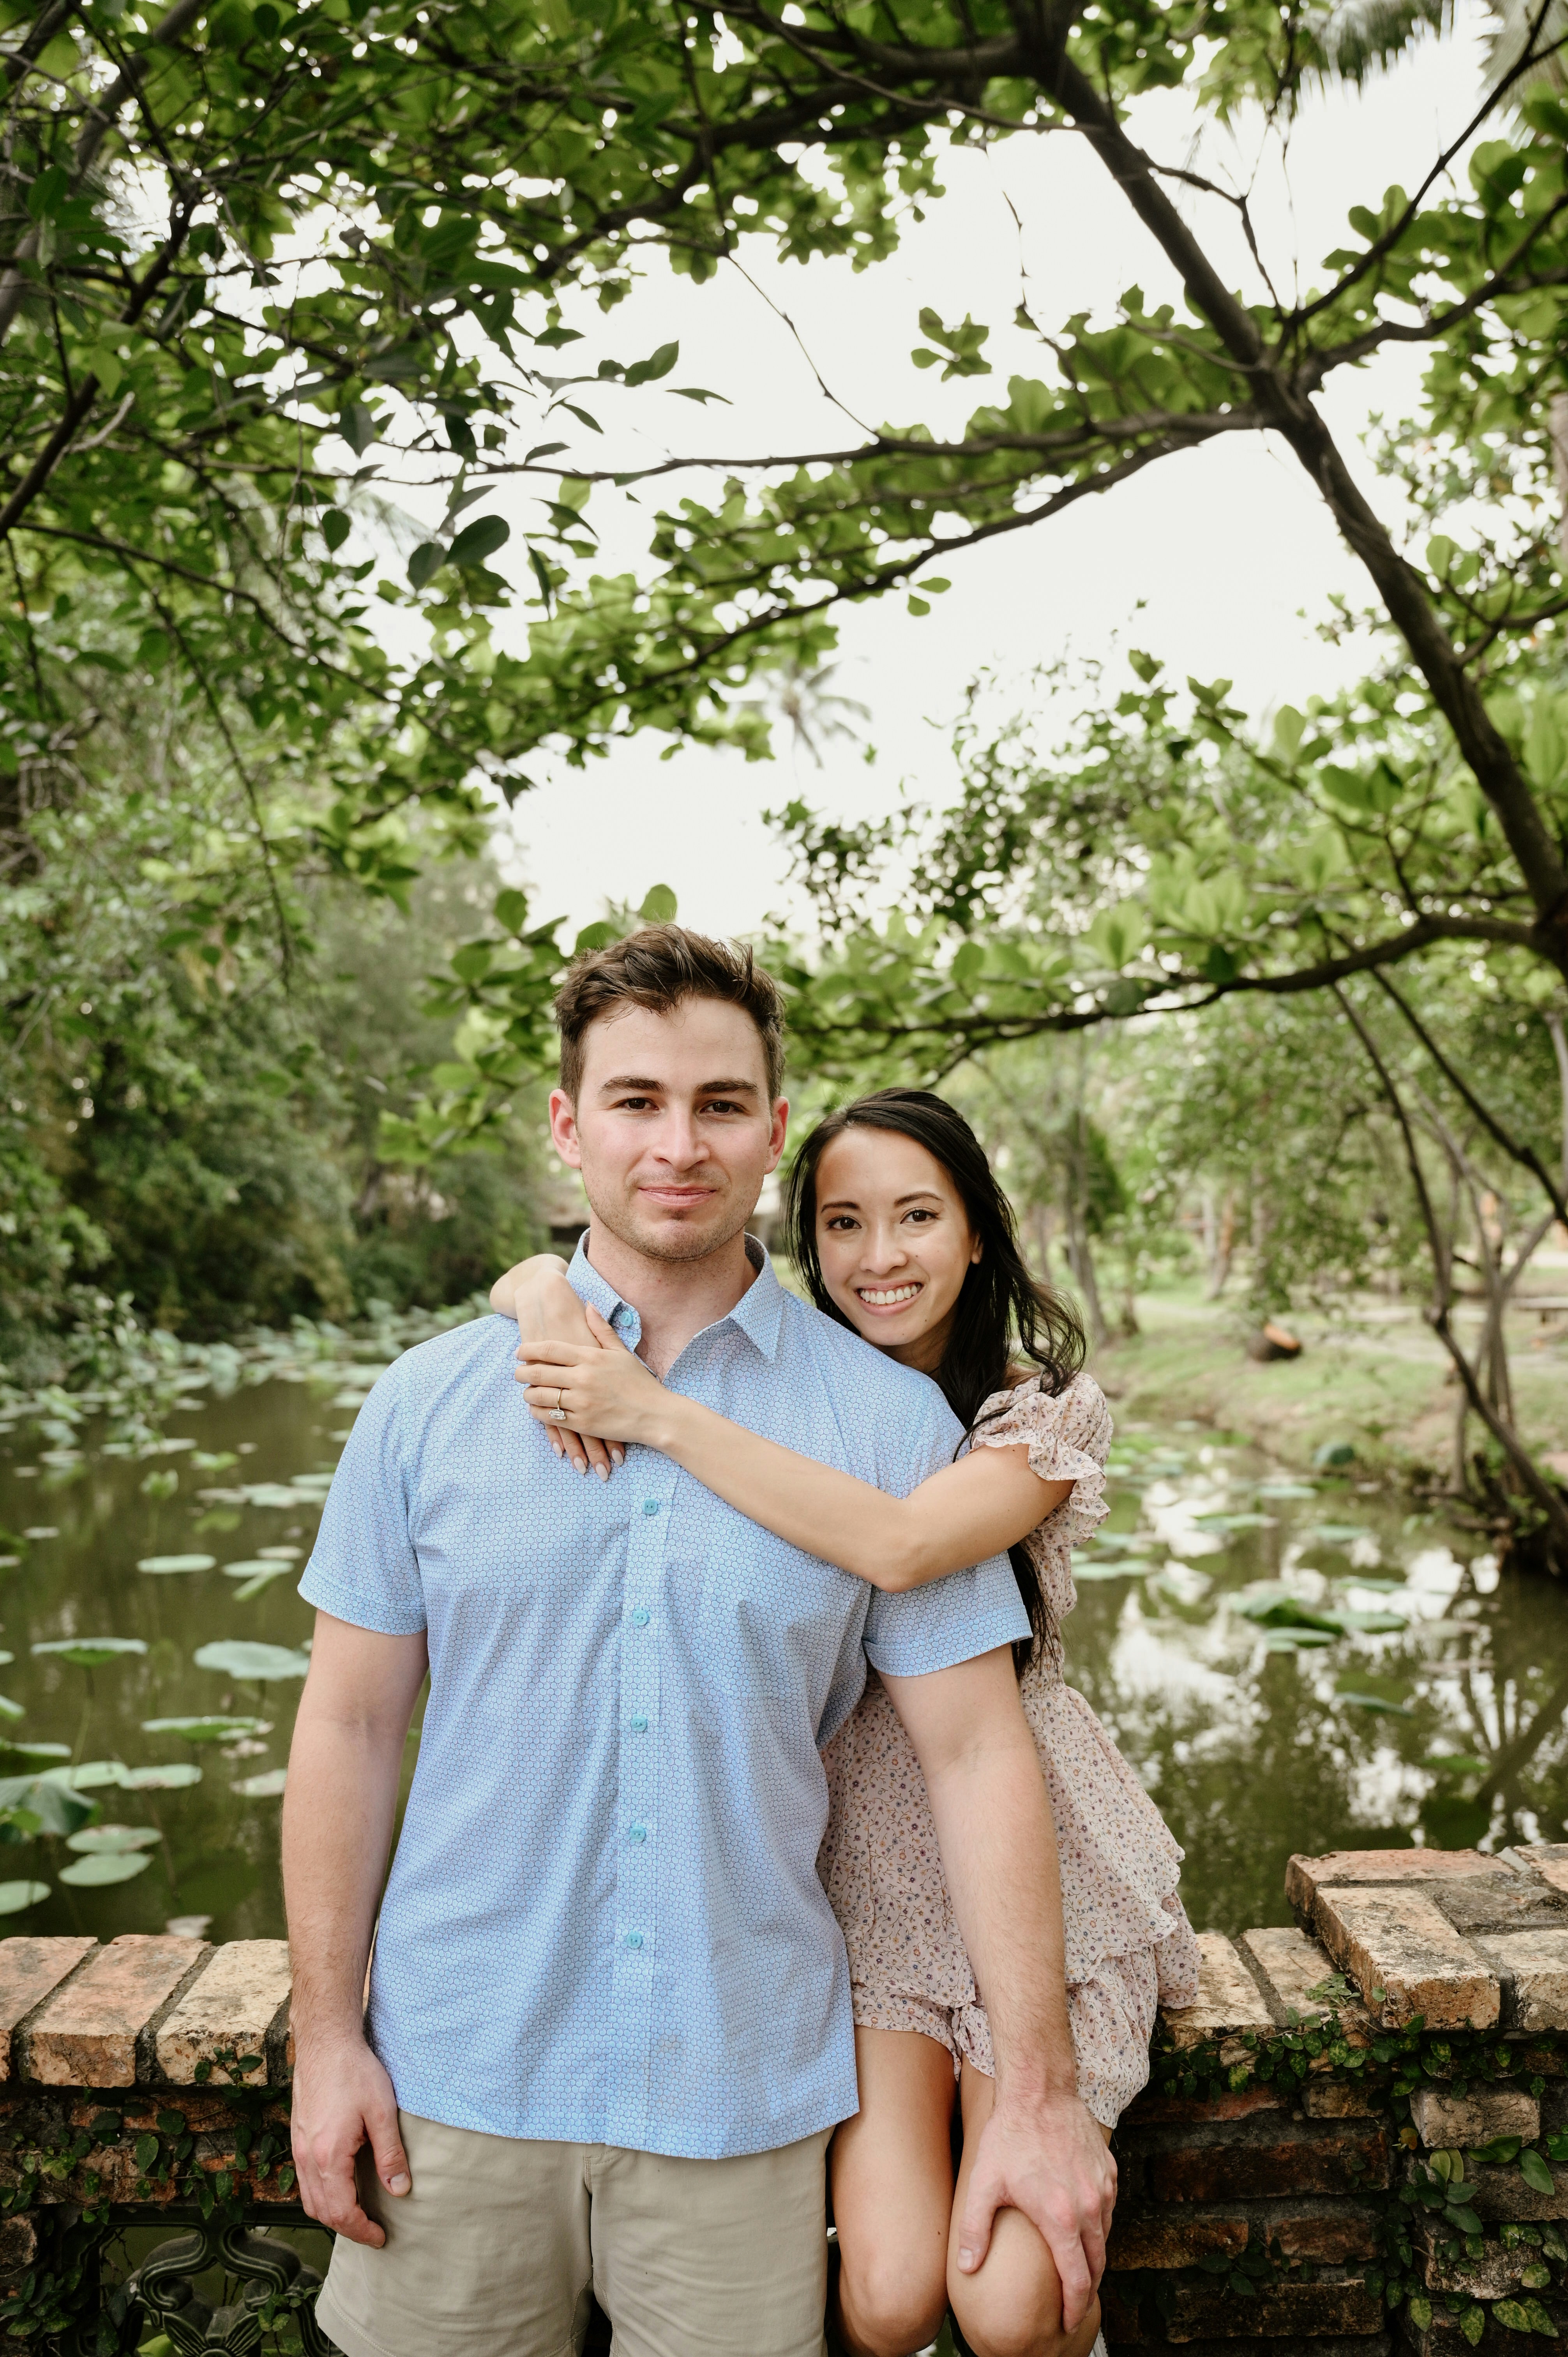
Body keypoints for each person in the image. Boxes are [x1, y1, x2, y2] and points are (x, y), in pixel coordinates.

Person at [283, 926, 1115, 2357]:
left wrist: (1036, 2093)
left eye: (721, 1104)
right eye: (636, 1100)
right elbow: (349, 1728)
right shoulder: (425, 1407)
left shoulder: (887, 1427)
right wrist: (324, 2036)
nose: (679, 1142)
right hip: (454, 2081)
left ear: (773, 1130)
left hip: (741, 2100)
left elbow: (979, 1758)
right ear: (567, 1125)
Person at [494, 1085, 1201, 2357]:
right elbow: (563, 1285)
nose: (881, 1258)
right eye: (844, 1224)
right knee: (884, 2298)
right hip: (854, 1864)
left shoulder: (1039, 1412)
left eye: (919, 1216)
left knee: (1011, 2301)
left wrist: (652, 1412)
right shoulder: (776, 1388)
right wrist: (545, 1293)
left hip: (1023, 1844)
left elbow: (903, 1540)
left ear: (978, 1231)